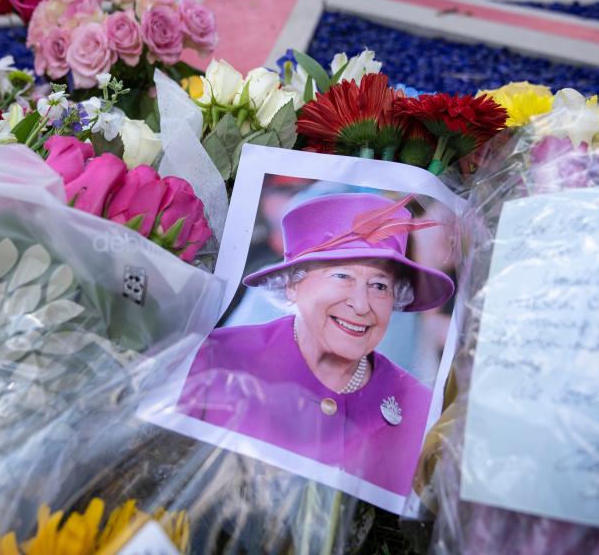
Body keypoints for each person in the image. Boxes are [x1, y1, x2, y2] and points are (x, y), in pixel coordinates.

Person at [177, 193, 454, 495]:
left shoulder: (421, 410)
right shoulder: (216, 359)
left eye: (379, 285)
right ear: (293, 283)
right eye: (342, 275)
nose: (362, 305)